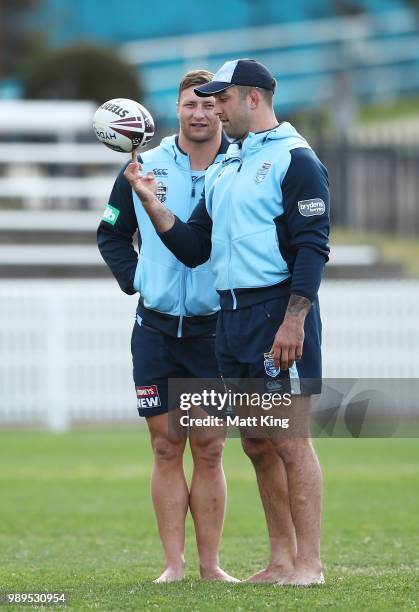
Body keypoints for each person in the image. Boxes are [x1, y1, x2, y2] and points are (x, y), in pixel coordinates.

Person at [123, 58, 330, 586]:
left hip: (275, 312)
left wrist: (295, 320)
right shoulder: (228, 166)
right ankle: (280, 559)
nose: (213, 107)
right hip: (232, 318)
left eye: (223, 98)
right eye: (206, 98)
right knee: (258, 442)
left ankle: (309, 563)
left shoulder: (295, 159)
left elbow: (312, 247)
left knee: (289, 439)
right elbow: (194, 247)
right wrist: (150, 202)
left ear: (252, 99)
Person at [97, 70, 238, 583]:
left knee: (211, 446)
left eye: (208, 105)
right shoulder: (145, 165)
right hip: (155, 329)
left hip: (213, 331)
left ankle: (210, 566)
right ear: (176, 109)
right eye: (189, 105)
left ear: (221, 109)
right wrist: (137, 278)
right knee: (164, 446)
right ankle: (173, 566)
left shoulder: (239, 164)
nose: (199, 114)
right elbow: (111, 232)